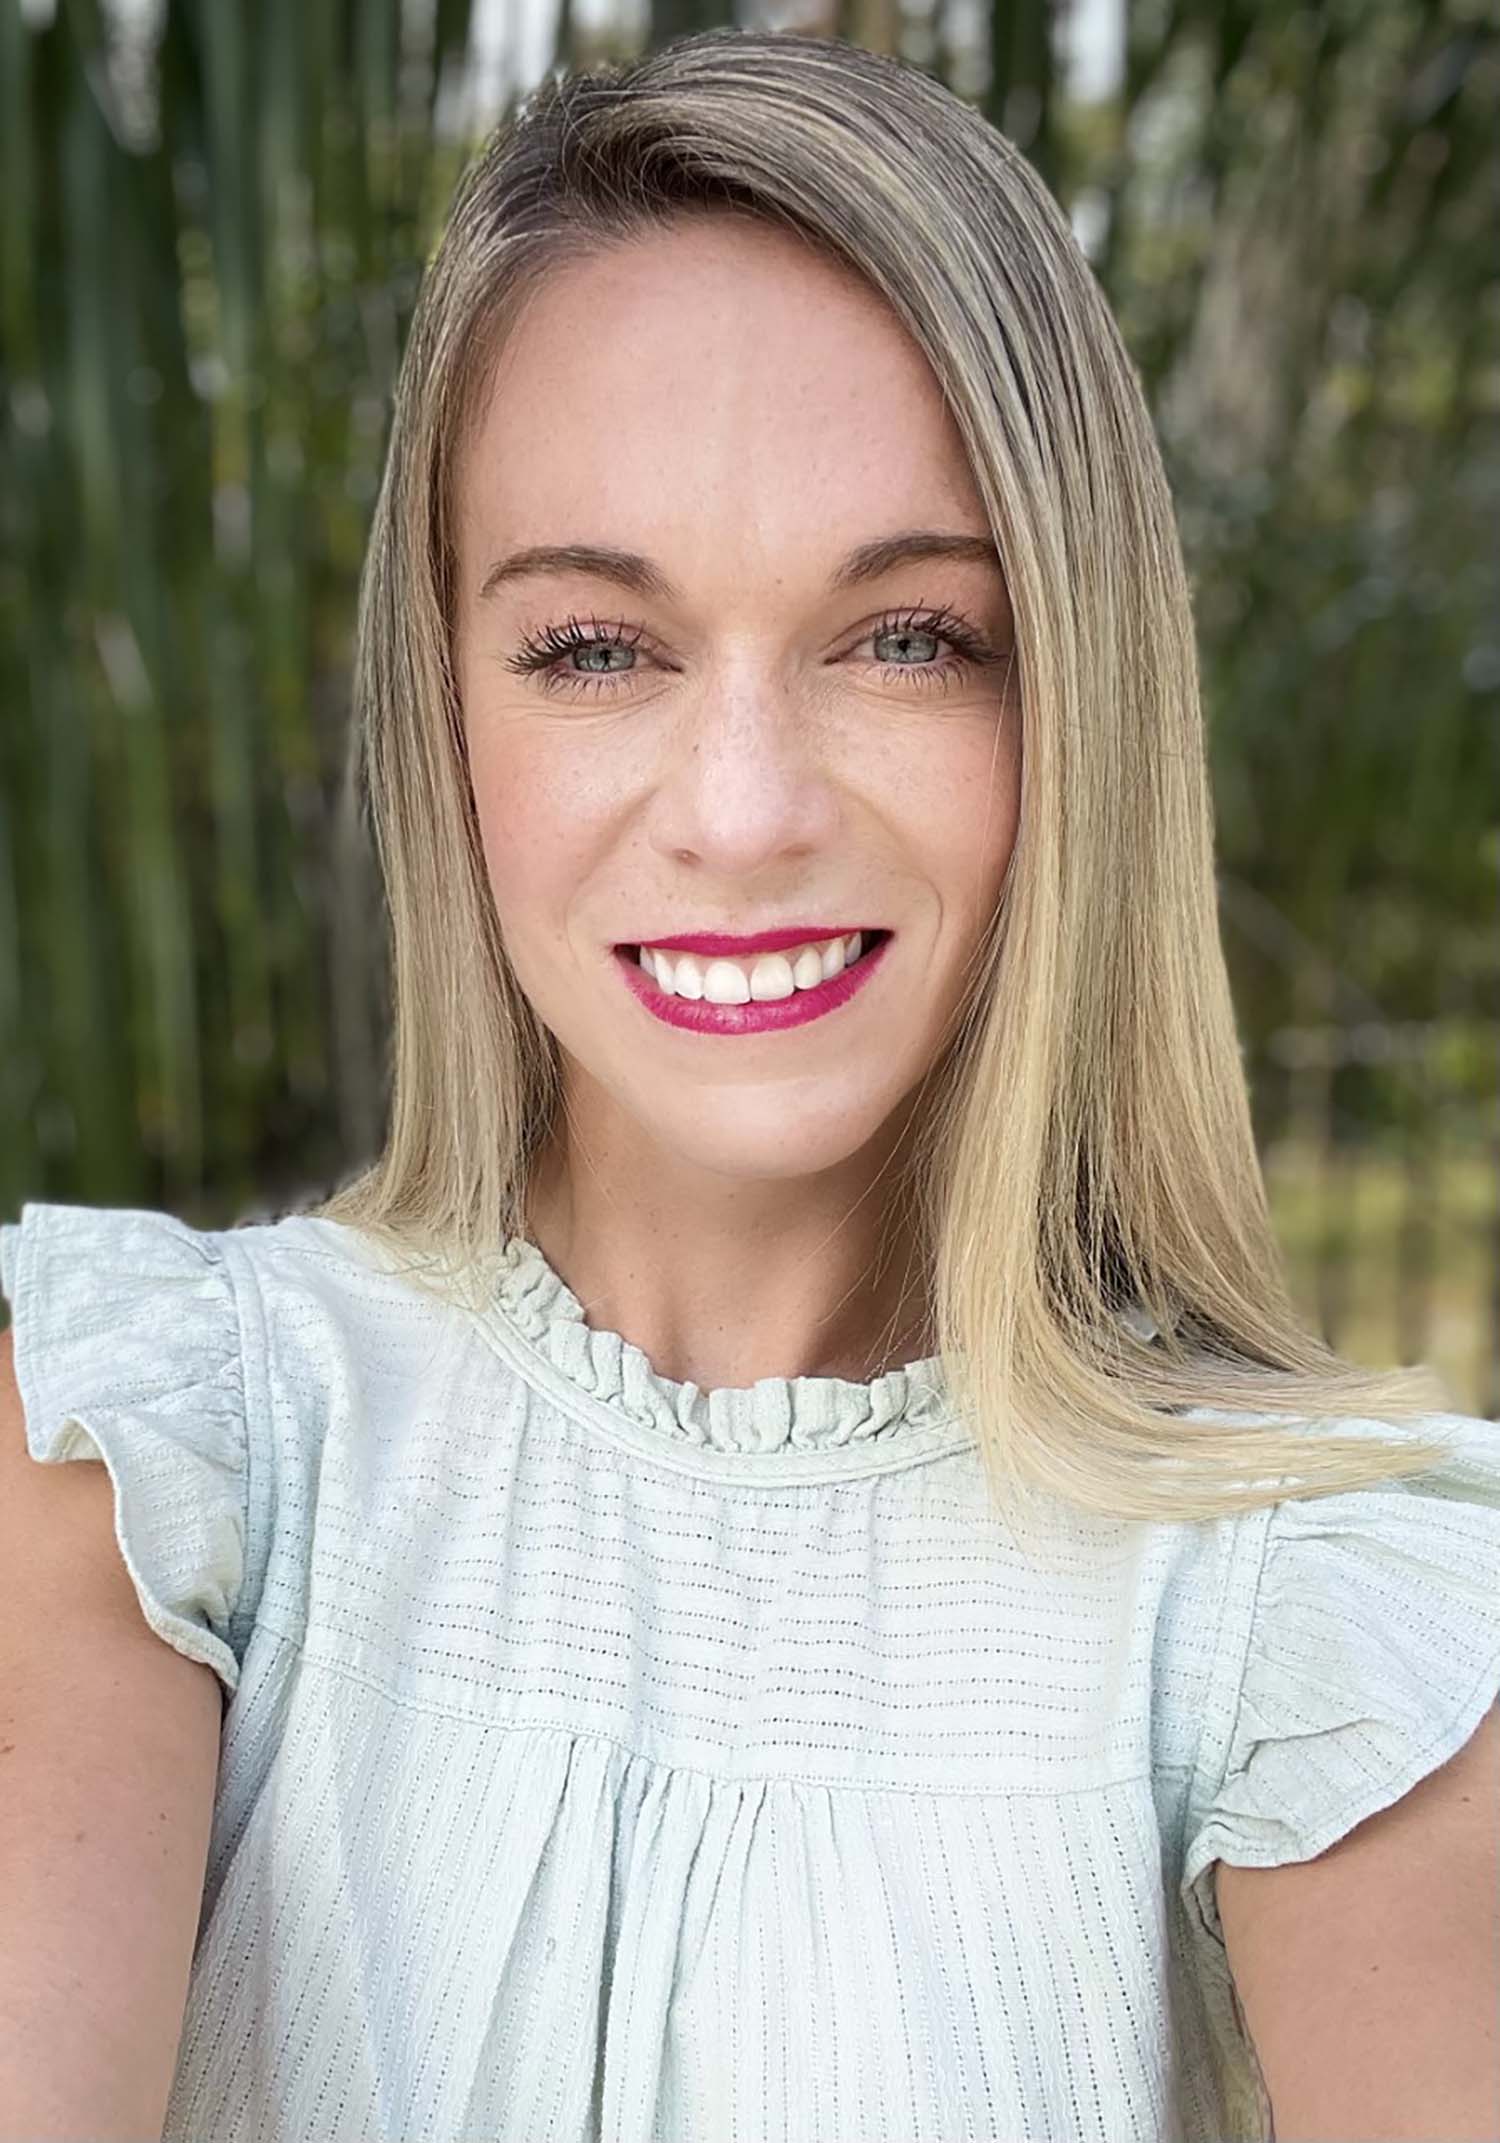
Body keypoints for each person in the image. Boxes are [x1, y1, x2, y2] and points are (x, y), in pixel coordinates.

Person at [2, 28, 1497, 2143]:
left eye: (907, 638)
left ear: (1074, 695)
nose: (741, 809)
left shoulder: (1332, 1620)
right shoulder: (139, 1452)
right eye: (599, 649)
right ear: (452, 715)